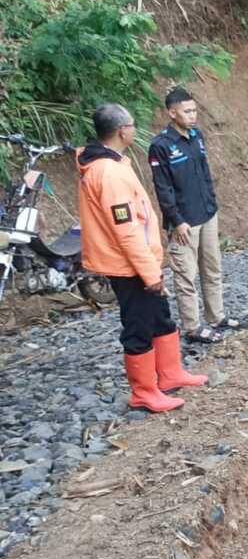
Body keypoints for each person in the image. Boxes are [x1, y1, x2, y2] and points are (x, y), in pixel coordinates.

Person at [77, 103, 207, 413]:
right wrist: (150, 274)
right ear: (122, 131)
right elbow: (127, 231)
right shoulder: (107, 172)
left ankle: (170, 373)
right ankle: (144, 392)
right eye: (133, 125)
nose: (136, 130)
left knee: (160, 316)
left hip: (139, 261)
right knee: (138, 325)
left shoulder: (113, 163)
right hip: (127, 266)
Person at [149, 87, 248, 344]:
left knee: (212, 269)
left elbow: (204, 173)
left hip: (206, 213)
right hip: (184, 222)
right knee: (186, 275)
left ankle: (217, 317)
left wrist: (211, 204)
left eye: (194, 110)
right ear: (172, 113)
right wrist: (176, 220)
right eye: (186, 111)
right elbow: (163, 188)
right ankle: (193, 328)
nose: (192, 116)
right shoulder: (161, 146)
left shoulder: (196, 136)